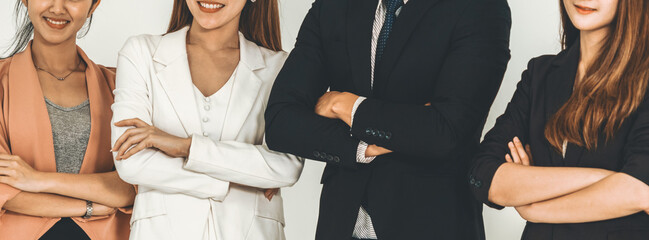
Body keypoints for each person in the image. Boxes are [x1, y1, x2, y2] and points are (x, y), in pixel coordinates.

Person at [264, 0, 512, 238]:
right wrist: (361, 147)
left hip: (431, 224)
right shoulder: (333, 5)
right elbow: (280, 122)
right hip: (340, 224)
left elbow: (445, 130)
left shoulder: (481, 7)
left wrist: (346, 106)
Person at [110, 0, 304, 239]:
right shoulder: (140, 53)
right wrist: (240, 179)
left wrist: (186, 147)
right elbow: (130, 160)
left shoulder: (279, 67)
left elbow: (287, 166)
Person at [469, 0, 649, 239]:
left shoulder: (644, 81)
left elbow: (638, 190)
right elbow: (482, 174)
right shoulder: (540, 74)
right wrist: (607, 179)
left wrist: (534, 207)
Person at [0, 0, 135, 239]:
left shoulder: (121, 87)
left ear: (93, 5)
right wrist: (87, 207)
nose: (57, 8)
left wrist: (35, 180)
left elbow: (131, 186)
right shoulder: (2, 81)